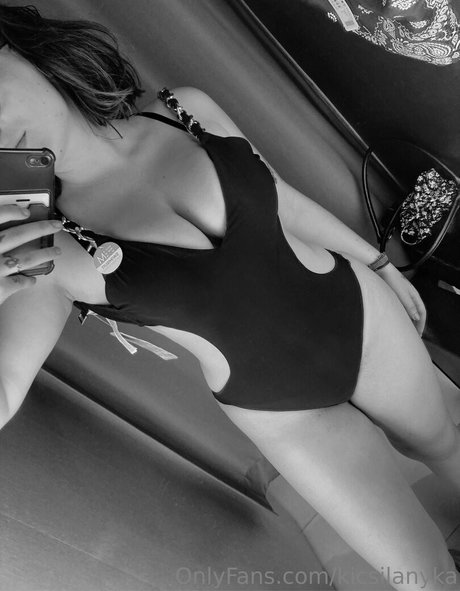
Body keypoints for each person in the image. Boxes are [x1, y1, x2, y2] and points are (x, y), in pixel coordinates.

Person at [0, 4, 459, 589]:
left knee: (445, 444)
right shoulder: (47, 253)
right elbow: (5, 389)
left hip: (359, 316)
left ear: (16, 47)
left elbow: (282, 198)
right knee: (426, 580)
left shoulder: (182, 108)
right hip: (287, 413)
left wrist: (379, 263)